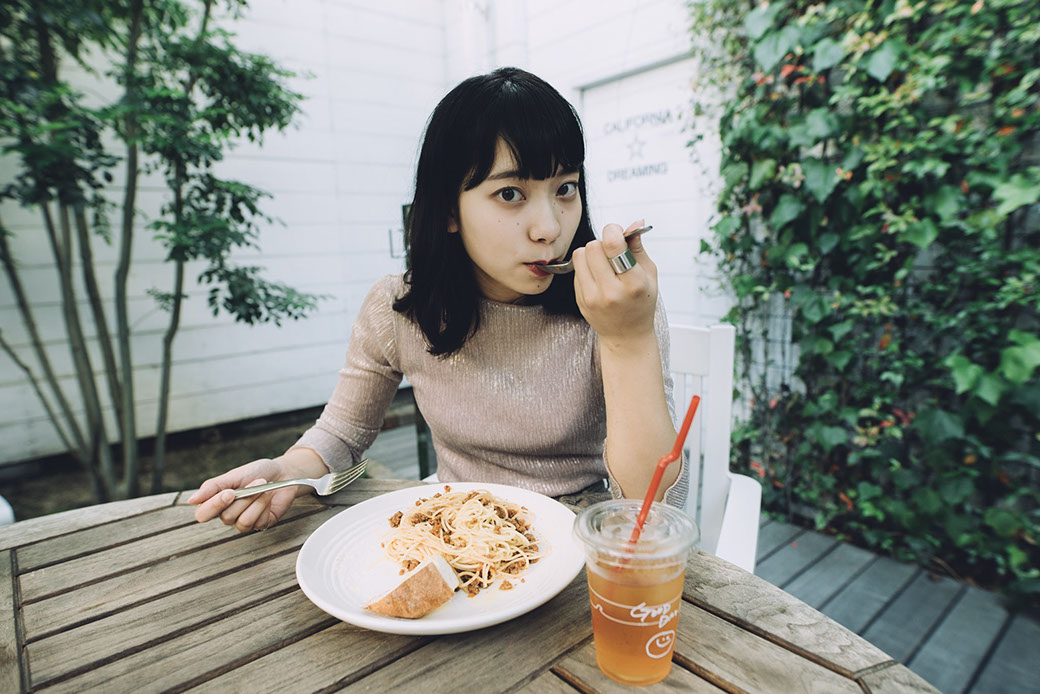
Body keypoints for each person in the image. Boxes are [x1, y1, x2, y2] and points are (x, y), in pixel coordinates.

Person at [189, 67, 687, 533]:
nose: (549, 229)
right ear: (449, 210)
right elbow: (341, 434)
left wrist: (627, 339)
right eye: (510, 194)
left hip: (584, 543)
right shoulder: (398, 307)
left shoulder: (615, 303)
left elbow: (655, 506)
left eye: (565, 188)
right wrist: (286, 471)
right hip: (459, 536)